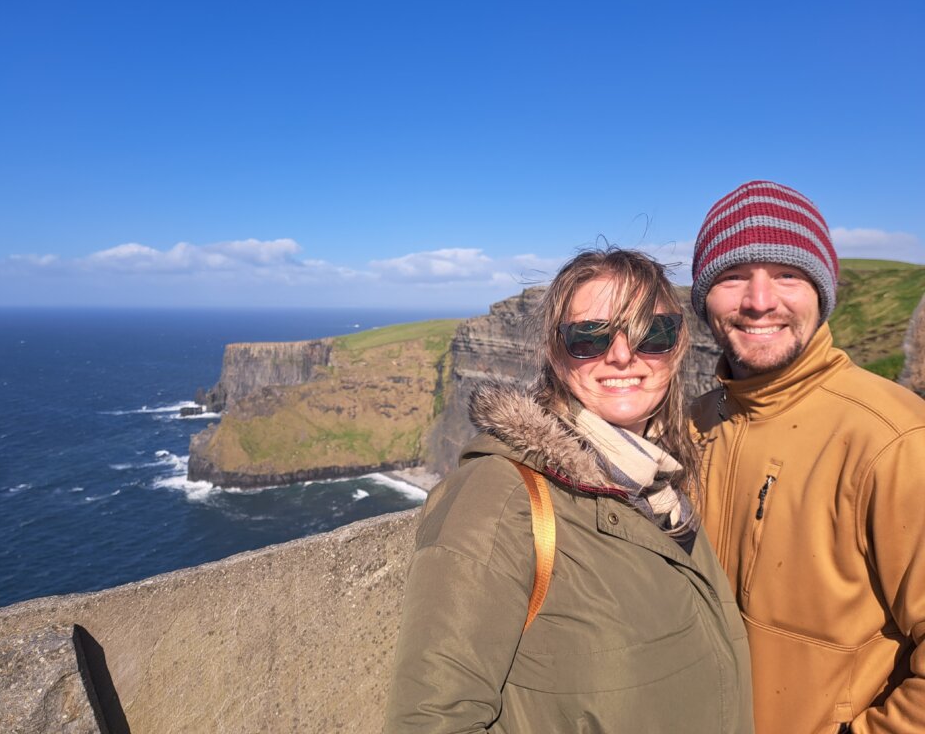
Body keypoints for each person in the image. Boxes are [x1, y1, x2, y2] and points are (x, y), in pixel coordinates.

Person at [384, 248, 754, 733]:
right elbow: (433, 721)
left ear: (679, 344)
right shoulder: (498, 497)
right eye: (589, 338)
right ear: (556, 354)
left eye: (651, 333)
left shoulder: (660, 482)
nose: (622, 355)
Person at [689, 180, 925, 734]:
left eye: (787, 274)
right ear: (703, 299)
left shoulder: (894, 437)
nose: (759, 300)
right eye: (732, 276)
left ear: (821, 291)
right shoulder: (690, 425)